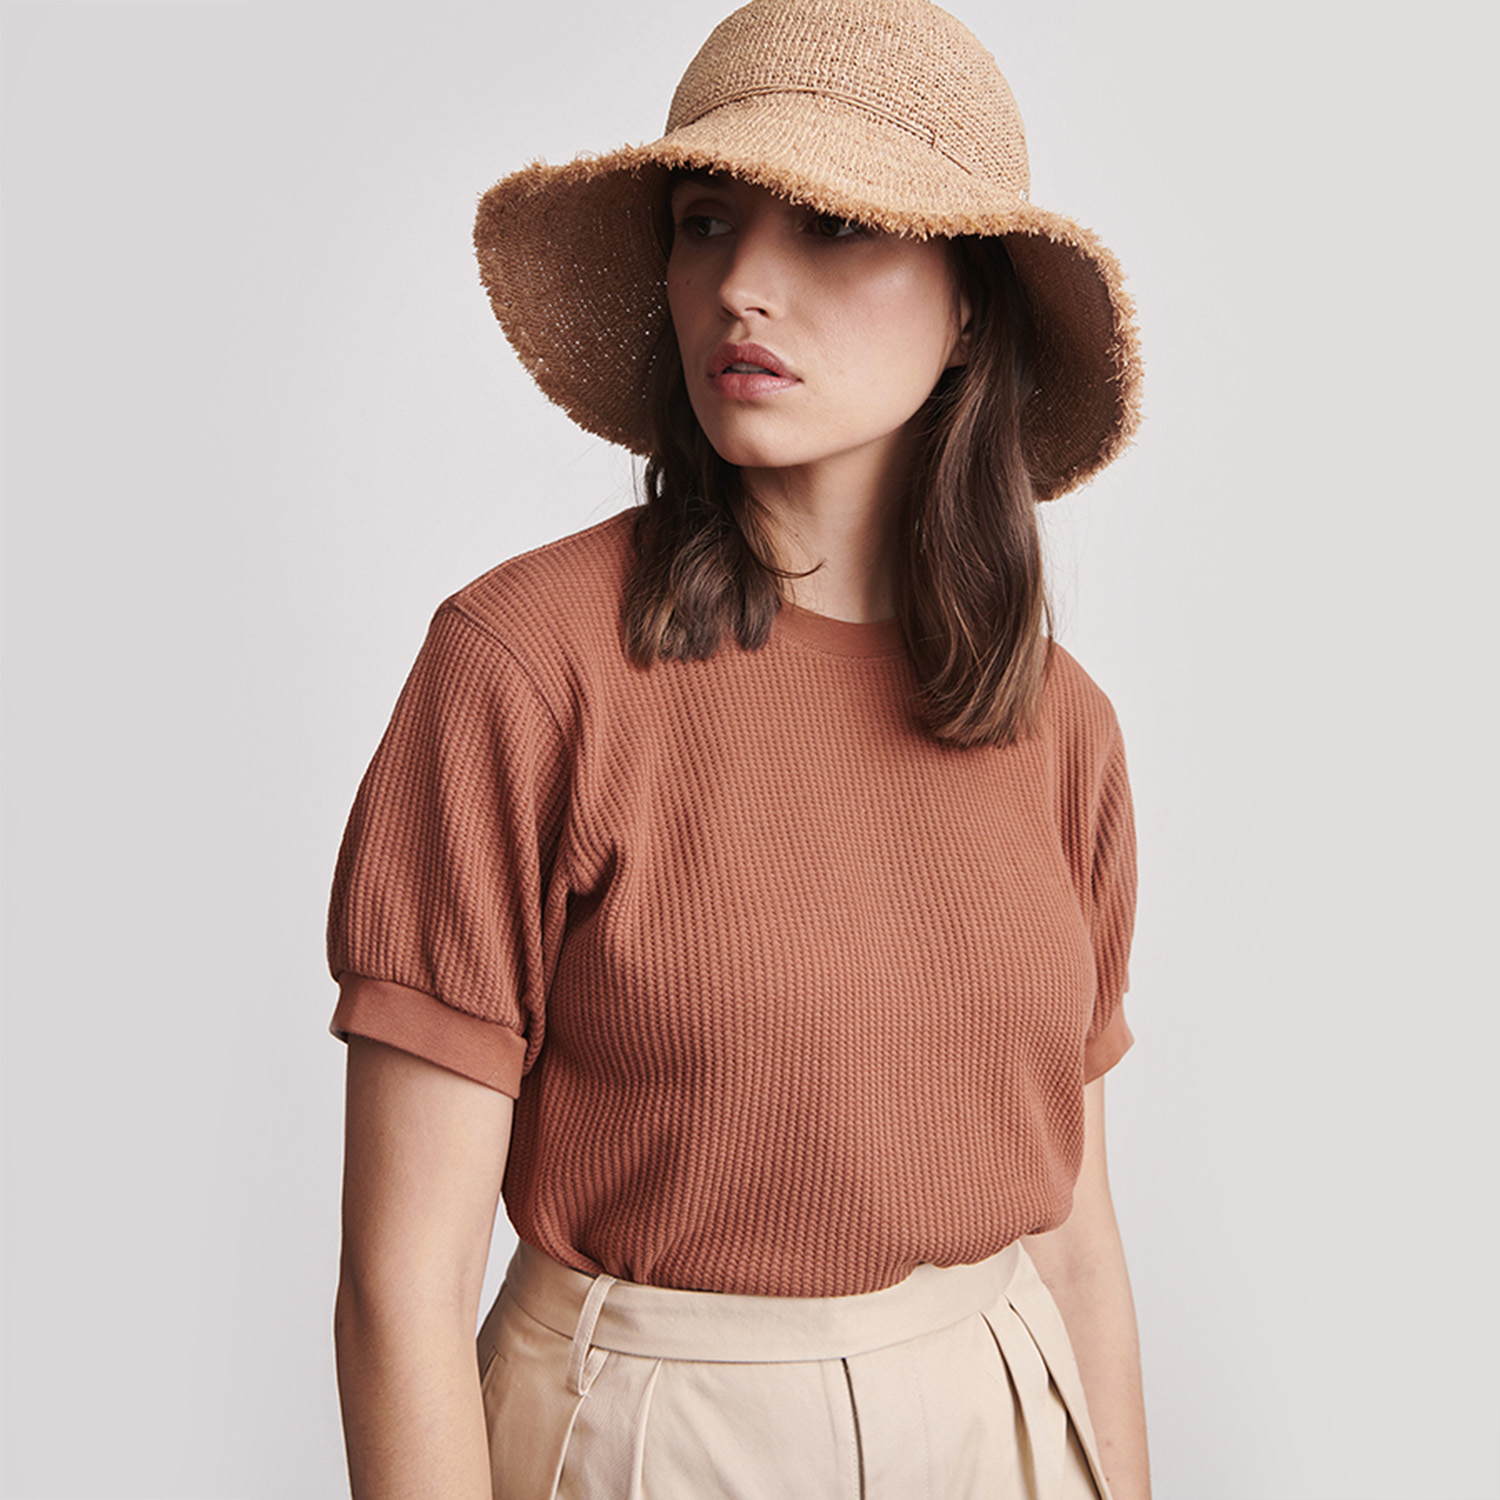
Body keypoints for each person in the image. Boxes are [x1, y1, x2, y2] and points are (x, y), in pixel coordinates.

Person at [327, 0, 1150, 1495]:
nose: (742, 287)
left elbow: (1079, 1242)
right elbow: (401, 1289)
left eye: (833, 226)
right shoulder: (525, 669)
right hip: (653, 1441)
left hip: (1008, 1417)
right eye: (705, 222)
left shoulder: (1061, 726)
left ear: (971, 306)